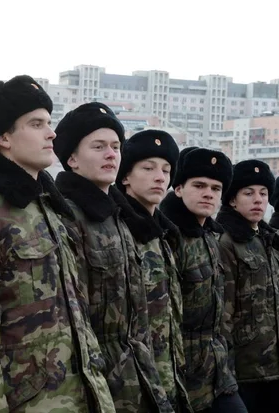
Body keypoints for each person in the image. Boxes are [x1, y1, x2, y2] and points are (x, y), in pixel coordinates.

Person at [0, 75, 114, 412]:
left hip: (76, 397)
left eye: (49, 121)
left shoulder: (47, 207)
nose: (51, 133)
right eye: (36, 124)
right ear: (4, 137)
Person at [53, 102, 173, 412]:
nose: (111, 154)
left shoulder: (120, 217)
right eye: (99, 146)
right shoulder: (66, 217)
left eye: (116, 146)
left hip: (137, 373)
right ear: (72, 159)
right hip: (96, 380)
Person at [160, 148, 245, 412]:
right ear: (178, 188)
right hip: (182, 375)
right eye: (199, 185)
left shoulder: (210, 236)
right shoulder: (167, 237)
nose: (208, 193)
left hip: (218, 373)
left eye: (216, 188)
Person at [116, 129, 192, 412]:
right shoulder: (118, 231)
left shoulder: (164, 236)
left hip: (168, 378)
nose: (160, 177)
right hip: (132, 388)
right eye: (148, 168)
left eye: (166, 170)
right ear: (125, 176)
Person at [216, 160, 279, 412]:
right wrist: (225, 372)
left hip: (274, 367)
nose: (258, 200)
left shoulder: (269, 241)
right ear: (232, 199)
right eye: (249, 193)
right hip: (244, 370)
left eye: (263, 193)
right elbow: (223, 315)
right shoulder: (226, 242)